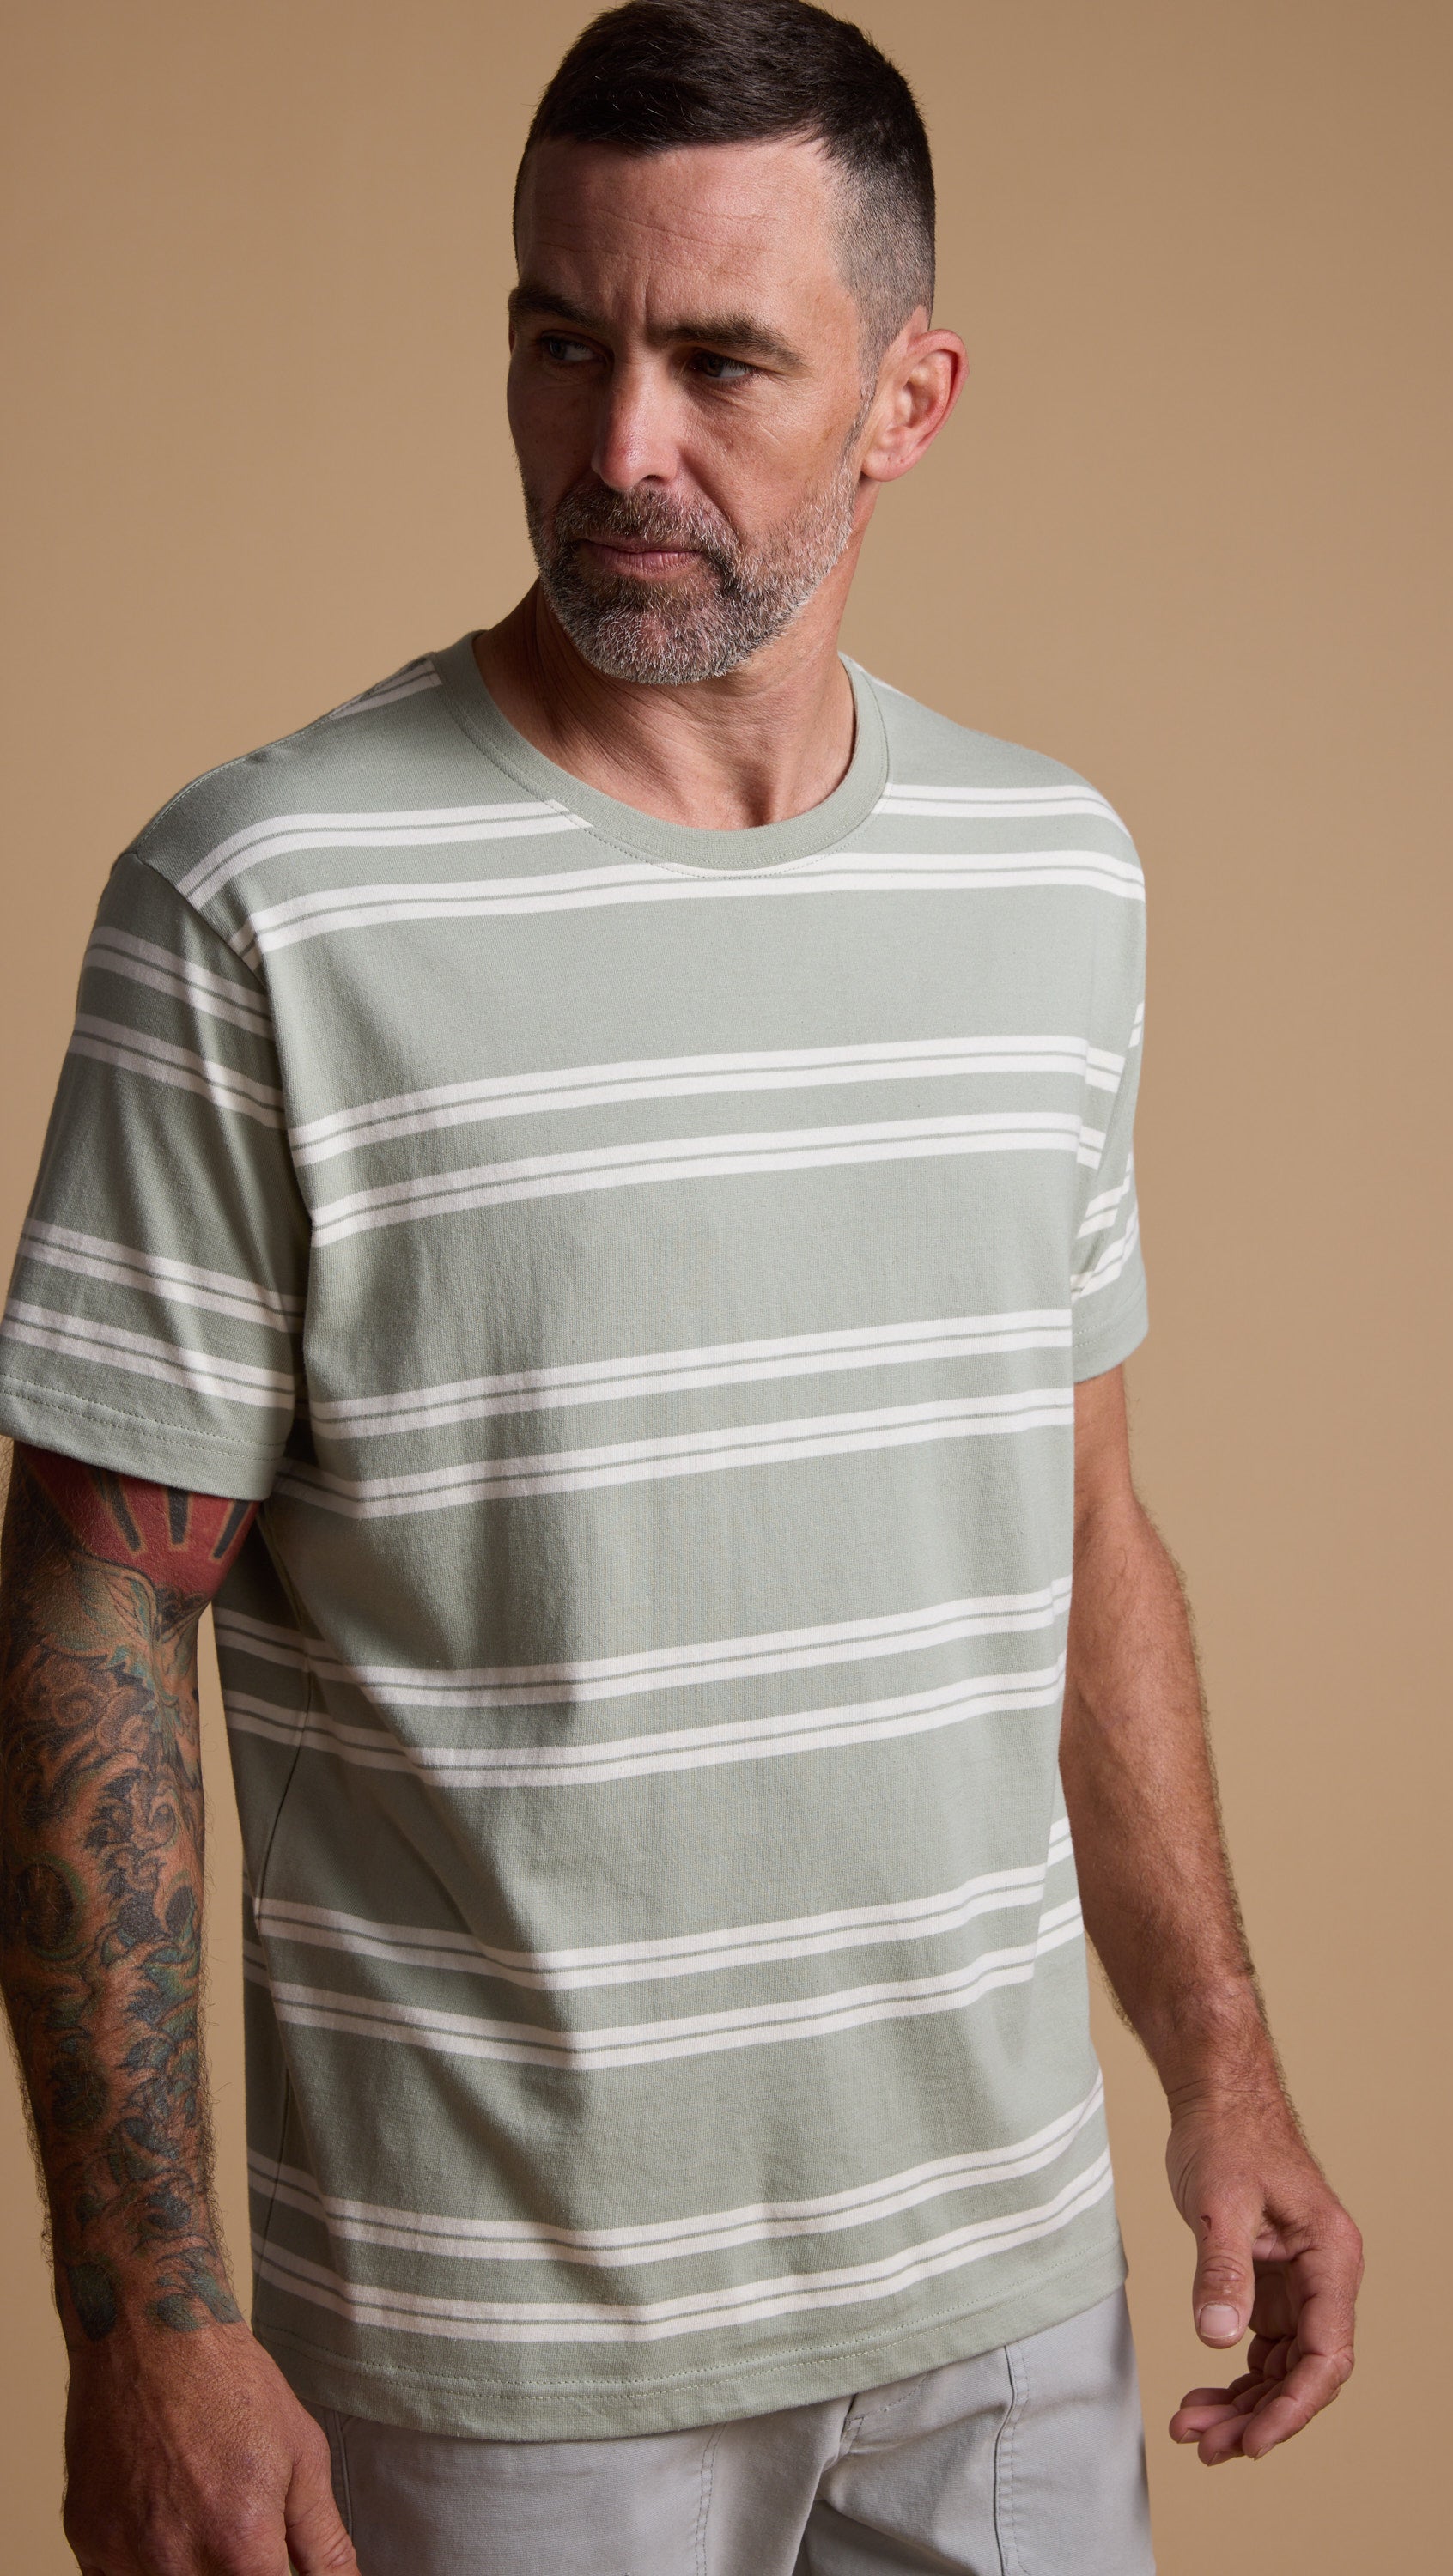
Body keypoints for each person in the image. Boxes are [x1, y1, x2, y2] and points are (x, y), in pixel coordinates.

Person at [0, 4, 1362, 2568]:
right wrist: (144, 2317)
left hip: (1003, 2309)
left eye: (720, 360)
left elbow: (1072, 1515)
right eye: (557, 337)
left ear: (908, 395)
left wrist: (1222, 2060)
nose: (615, 446)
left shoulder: (1049, 876)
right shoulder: (263, 900)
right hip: (497, 2364)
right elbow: (90, 1613)